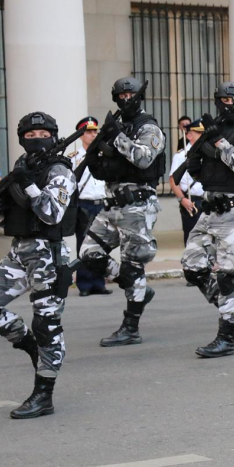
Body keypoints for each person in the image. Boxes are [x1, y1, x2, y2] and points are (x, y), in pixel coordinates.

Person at [0, 111, 77, 419]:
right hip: (21, 251)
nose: (37, 140)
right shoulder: (22, 167)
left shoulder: (60, 169)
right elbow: (16, 215)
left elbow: (51, 213)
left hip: (48, 254)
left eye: (43, 135)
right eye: (30, 136)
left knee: (48, 324)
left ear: (53, 136)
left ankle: (43, 393)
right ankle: (29, 344)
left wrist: (28, 185)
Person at [80, 77, 166, 347]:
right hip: (112, 203)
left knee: (134, 262)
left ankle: (131, 326)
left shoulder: (148, 126)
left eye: (131, 94)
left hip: (137, 203)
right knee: (88, 253)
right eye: (121, 95)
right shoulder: (116, 125)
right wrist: (98, 148)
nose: (126, 99)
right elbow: (100, 165)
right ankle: (135, 285)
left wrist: (116, 135)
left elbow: (143, 158)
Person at [181, 82, 234, 358]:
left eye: (231, 99)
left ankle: (226, 336)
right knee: (192, 266)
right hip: (211, 208)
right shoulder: (213, 130)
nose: (226, 104)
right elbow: (198, 170)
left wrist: (217, 141)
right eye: (222, 99)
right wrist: (199, 153)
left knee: (228, 275)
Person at [69, 117, 111, 296]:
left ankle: (98, 282)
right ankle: (85, 284)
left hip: (101, 203)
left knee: (101, 244)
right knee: (84, 244)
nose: (93, 135)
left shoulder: (104, 154)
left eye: (95, 131)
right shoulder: (74, 158)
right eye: (89, 132)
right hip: (84, 204)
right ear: (81, 135)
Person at [169, 118, 205, 245]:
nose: (202, 136)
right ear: (189, 135)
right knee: (192, 241)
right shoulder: (181, 155)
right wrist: (182, 199)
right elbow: (173, 180)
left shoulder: (208, 154)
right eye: (199, 133)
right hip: (192, 201)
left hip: (207, 201)